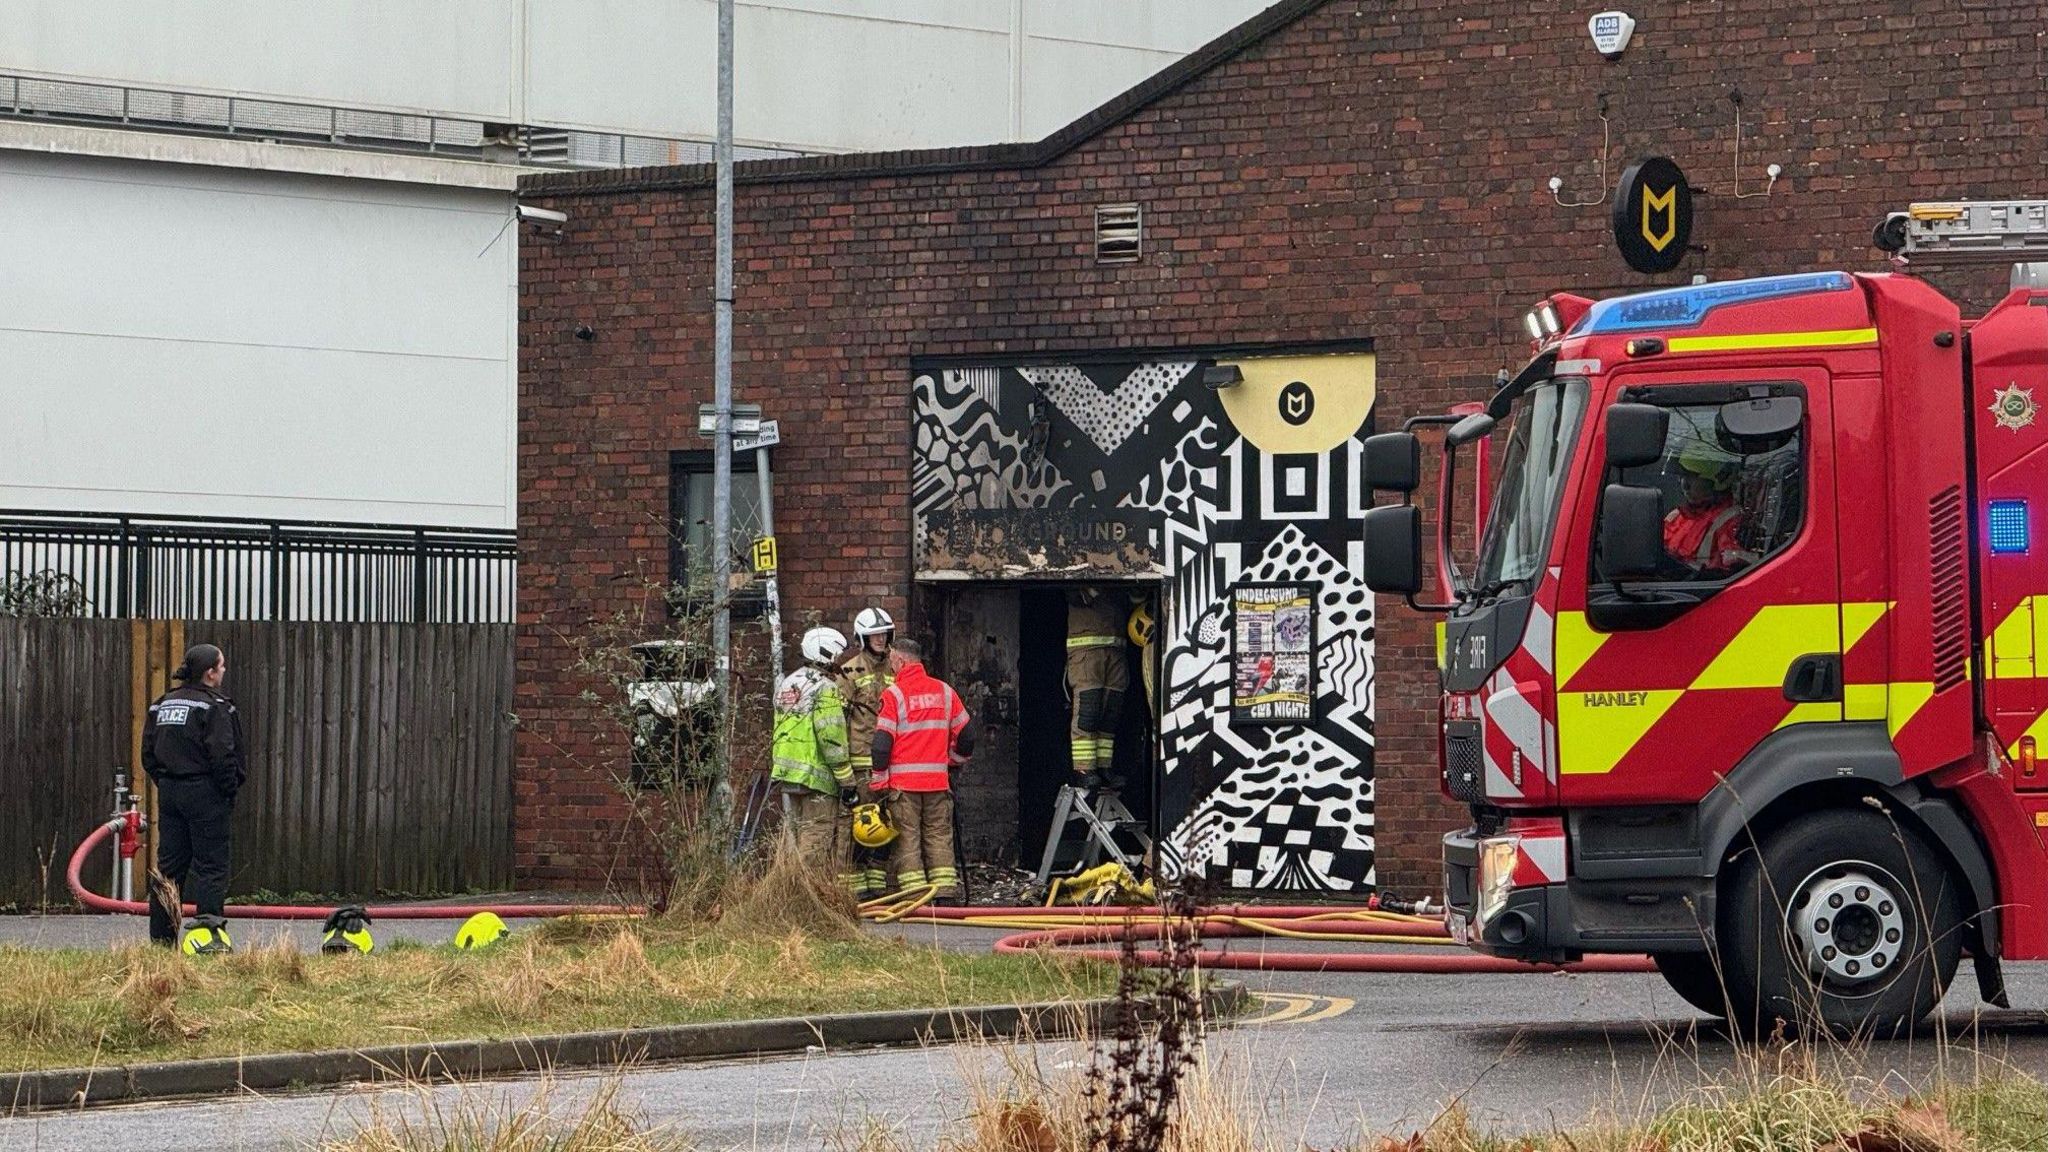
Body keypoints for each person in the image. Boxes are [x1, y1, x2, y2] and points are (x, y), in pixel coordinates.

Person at [142, 643, 245, 952]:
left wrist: (166, 781)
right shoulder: (215, 706)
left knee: (169, 869)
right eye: (222, 666)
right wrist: (227, 790)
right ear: (210, 673)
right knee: (211, 866)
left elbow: (148, 754)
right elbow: (223, 755)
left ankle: (162, 942)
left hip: (171, 792)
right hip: (206, 792)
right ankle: (208, 939)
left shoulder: (161, 705)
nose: (224, 671)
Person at [872, 638, 974, 904]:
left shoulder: (893, 695)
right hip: (938, 783)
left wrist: (879, 780)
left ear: (901, 661)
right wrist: (953, 761)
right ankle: (945, 894)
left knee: (908, 839)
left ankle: (915, 897)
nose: (891, 663)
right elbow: (967, 735)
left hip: (903, 786)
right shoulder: (944, 691)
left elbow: (882, 745)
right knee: (939, 835)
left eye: (892, 659)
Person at [771, 627, 860, 892]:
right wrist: (847, 781)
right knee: (816, 836)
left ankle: (785, 891)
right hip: (817, 777)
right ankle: (806, 896)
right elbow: (831, 738)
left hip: (789, 774)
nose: (840, 660)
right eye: (838, 654)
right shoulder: (825, 688)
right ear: (827, 651)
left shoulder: (789, 683)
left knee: (795, 837)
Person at [837, 607, 896, 898]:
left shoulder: (897, 668)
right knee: (861, 823)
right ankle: (857, 888)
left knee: (888, 822)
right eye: (874, 634)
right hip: (861, 761)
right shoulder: (849, 671)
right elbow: (839, 719)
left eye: (884, 633)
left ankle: (878, 882)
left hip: (892, 760)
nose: (881, 639)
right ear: (863, 637)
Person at [1064, 587, 1130, 785]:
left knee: (1110, 715)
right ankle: (1084, 769)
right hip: (1087, 652)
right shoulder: (1082, 567)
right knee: (1088, 712)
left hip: (1116, 650)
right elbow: (1075, 595)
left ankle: (1104, 767)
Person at [1663, 446, 1756, 575]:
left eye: (1692, 477)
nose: (1684, 485)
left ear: (1718, 479)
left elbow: (1730, 573)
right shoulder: (1676, 516)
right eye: (1682, 476)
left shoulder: (1731, 521)